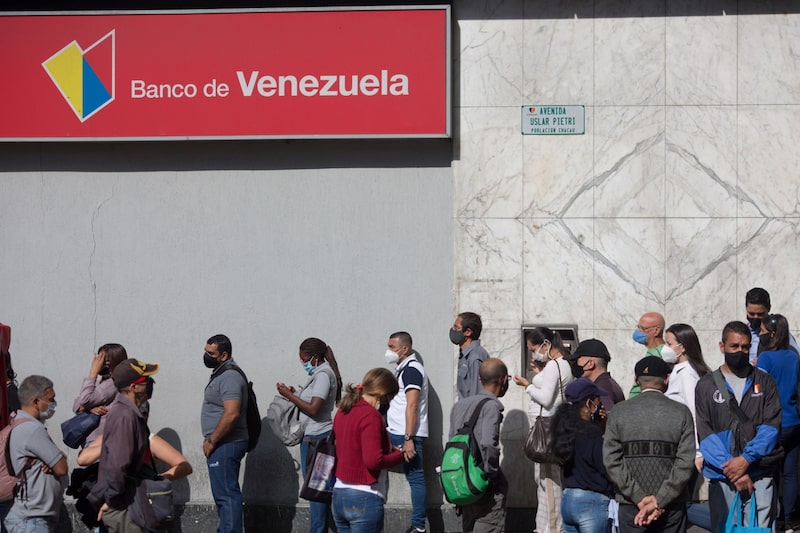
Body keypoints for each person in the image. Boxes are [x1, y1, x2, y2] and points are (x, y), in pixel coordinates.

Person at [695, 321, 782, 533]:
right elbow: (705, 432)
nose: (740, 351)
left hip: (760, 472)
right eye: (734, 346)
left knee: (760, 529)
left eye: (745, 347)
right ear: (721, 346)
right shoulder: (706, 385)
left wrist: (746, 459)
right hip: (723, 476)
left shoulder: (765, 381)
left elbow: (771, 427)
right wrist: (733, 469)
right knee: (726, 528)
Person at [603, 356, 695, 533]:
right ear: (667, 379)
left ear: (636, 380)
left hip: (631, 505)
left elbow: (611, 461)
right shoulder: (681, 413)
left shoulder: (618, 412)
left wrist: (639, 498)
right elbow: (685, 463)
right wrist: (659, 501)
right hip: (671, 506)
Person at [277, 337, 342, 533]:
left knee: (316, 492)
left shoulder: (323, 375)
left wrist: (290, 397)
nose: (302, 362)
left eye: (304, 359)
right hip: (313, 437)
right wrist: (294, 393)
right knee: (316, 491)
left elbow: (314, 408)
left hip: (317, 439)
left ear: (315, 357)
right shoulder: (319, 373)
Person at [87, 358, 159, 533]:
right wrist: (112, 502)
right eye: (145, 381)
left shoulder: (128, 413)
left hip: (128, 503)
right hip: (124, 507)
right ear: (134, 387)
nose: (149, 385)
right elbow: (118, 465)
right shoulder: (124, 415)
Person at [512, 327, 573, 533]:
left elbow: (546, 399)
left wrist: (527, 385)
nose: (533, 353)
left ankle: (553, 527)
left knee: (549, 483)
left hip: (548, 432)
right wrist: (539, 375)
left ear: (546, 345)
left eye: (533, 348)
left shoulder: (556, 364)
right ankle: (544, 526)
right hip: (550, 430)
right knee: (544, 482)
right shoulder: (557, 364)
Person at [331, 367, 404, 532]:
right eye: (390, 398)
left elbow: (349, 445)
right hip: (364, 496)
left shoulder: (343, 410)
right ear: (382, 394)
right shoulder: (371, 416)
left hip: (339, 493)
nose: (389, 403)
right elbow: (373, 461)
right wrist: (399, 456)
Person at [449, 358, 509, 533]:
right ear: (504, 379)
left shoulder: (459, 405)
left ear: (480, 380)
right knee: (489, 524)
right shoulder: (491, 407)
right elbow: (489, 444)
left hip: (464, 481)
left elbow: (452, 440)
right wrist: (491, 475)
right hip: (483, 483)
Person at [661, 323, 712, 531]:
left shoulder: (687, 374)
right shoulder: (680, 371)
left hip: (686, 448)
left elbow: (694, 411)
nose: (665, 348)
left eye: (669, 343)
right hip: (682, 445)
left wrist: (698, 451)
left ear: (682, 347)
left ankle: (727, 524)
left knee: (680, 503)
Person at [4, 375, 67, 533]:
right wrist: (58, 458)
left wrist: (54, 459)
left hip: (32, 518)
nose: (53, 404)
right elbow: (61, 468)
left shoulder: (20, 423)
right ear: (36, 401)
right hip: (32, 520)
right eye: (50, 399)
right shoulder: (32, 429)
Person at [201, 334, 250, 533]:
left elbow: (231, 413)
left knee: (227, 496)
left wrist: (212, 440)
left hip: (225, 443)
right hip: (222, 443)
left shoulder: (229, 376)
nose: (206, 356)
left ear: (224, 355)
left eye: (210, 353)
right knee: (223, 495)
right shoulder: (222, 373)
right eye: (205, 351)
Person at [755, 314, 800, 529]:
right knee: (790, 474)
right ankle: (790, 520)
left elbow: (758, 390)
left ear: (772, 334)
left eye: (762, 331)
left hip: (774, 423)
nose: (760, 334)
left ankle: (770, 519)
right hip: (794, 421)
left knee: (768, 473)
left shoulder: (765, 358)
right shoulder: (793, 356)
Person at [553, 378, 612, 533]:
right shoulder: (591, 433)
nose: (599, 405)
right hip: (591, 503)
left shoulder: (563, 430)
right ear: (588, 403)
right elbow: (605, 466)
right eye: (597, 401)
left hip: (568, 500)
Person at [384, 331, 428, 533]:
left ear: (405, 349)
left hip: (405, 433)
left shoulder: (412, 369)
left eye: (392, 347)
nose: (388, 351)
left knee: (416, 478)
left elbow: (412, 405)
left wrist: (409, 438)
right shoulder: (402, 369)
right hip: (396, 431)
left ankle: (418, 526)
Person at [72, 343, 128, 446]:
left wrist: (93, 372)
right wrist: (87, 408)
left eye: (103, 359)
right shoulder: (101, 382)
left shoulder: (112, 384)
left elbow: (85, 399)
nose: (98, 362)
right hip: (93, 439)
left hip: (100, 441)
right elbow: (77, 403)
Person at [566, 339, 625, 412]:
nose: (575, 365)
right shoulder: (607, 384)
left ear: (590, 364)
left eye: (577, 360)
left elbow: (607, 420)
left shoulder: (602, 389)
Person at [744, 287, 799, 363]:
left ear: (769, 308)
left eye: (760, 314)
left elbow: (794, 360)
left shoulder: (780, 334)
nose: (755, 317)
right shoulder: (742, 331)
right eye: (751, 314)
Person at [451, 312, 490, 400]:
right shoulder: (465, 354)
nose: (453, 330)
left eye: (456, 327)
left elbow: (477, 397)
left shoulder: (476, 357)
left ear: (468, 332)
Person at [629, 312, 666, 398]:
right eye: (638, 327)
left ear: (656, 331)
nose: (639, 332)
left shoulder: (660, 354)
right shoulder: (652, 352)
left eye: (643, 328)